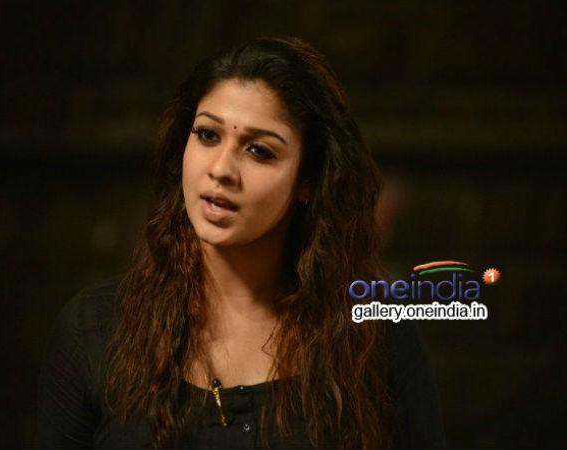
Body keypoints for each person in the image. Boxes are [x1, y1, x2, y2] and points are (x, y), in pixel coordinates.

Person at [36, 37, 446, 449]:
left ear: (308, 180)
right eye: (207, 135)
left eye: (259, 151)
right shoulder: (95, 330)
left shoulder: (374, 339)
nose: (221, 169)